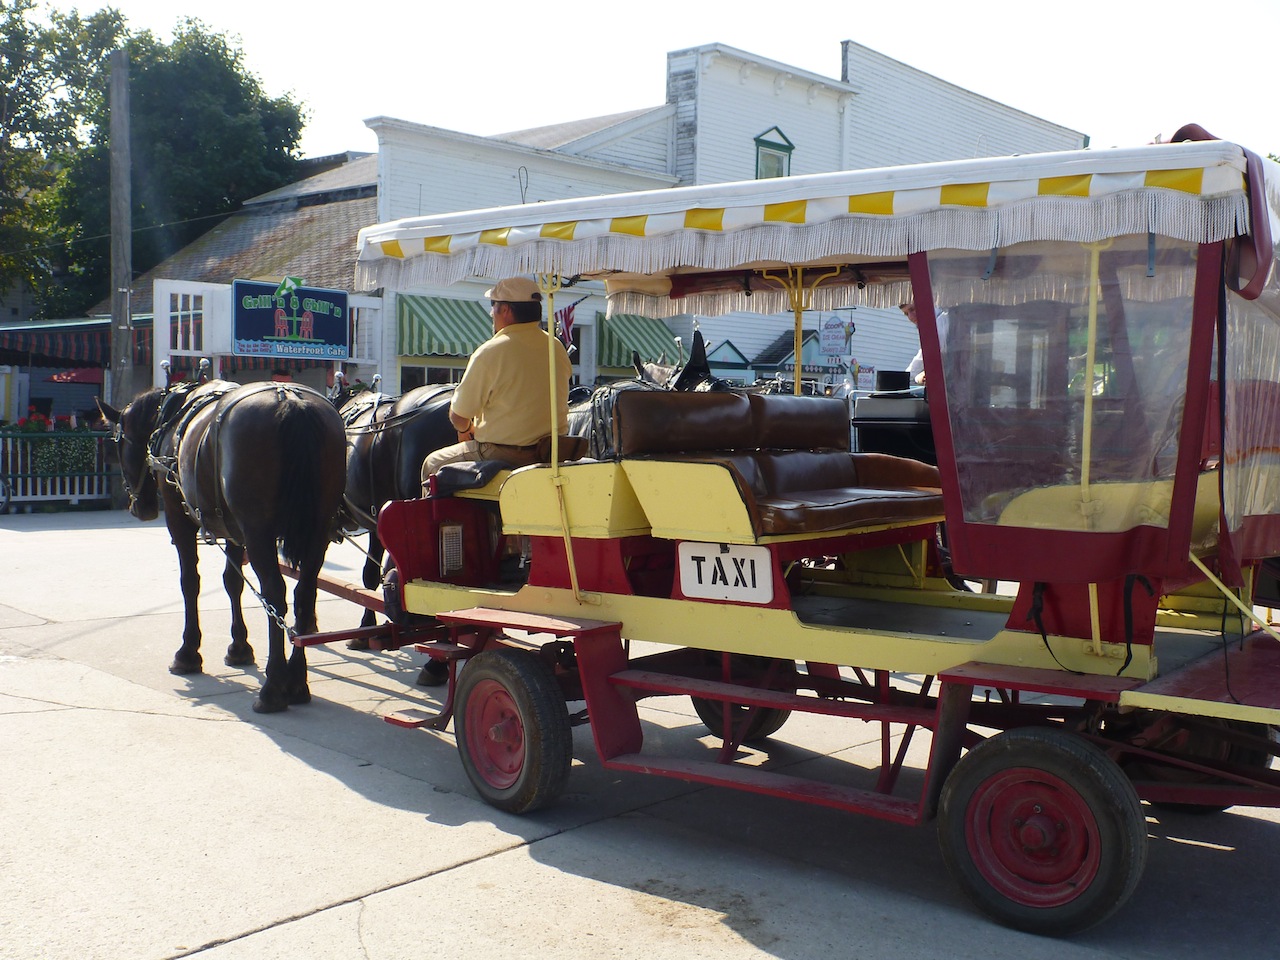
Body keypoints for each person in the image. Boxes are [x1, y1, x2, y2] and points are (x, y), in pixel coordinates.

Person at [421, 277, 573, 488]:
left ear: (506, 310)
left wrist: (465, 430)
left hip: (505, 453)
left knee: (433, 463)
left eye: (493, 306)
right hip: (552, 452)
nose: (491, 313)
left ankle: (444, 521)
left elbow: (458, 417)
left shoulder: (491, 351)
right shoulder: (556, 348)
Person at [899, 301, 948, 386]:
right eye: (906, 314)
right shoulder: (934, 323)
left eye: (912, 309)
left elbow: (925, 356)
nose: (910, 317)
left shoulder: (940, 321)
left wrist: (902, 380)